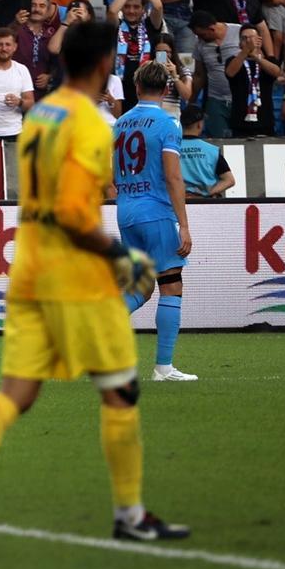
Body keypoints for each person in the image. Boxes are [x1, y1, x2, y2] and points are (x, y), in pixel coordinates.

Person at [0, 18, 187, 546]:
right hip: (74, 278)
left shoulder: (40, 116)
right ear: (102, 63)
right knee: (120, 391)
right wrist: (119, 255)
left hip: (30, 270)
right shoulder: (90, 124)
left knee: (16, 394)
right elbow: (73, 212)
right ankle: (131, 514)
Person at [111, 62, 195, 382]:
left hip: (127, 211)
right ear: (166, 90)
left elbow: (110, 176)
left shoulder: (119, 123)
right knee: (171, 284)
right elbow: (174, 176)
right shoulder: (167, 123)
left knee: (142, 287)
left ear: (136, 88)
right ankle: (164, 368)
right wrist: (183, 225)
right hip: (155, 211)